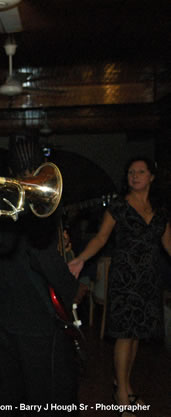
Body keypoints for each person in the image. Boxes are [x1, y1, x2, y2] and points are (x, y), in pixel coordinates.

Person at [0, 136, 87, 415]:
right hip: (37, 323)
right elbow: (45, 260)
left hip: (2, 316)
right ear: (41, 165)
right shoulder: (38, 202)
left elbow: (0, 254)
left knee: (8, 396)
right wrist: (73, 288)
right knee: (48, 398)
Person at [68, 157, 171, 415]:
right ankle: (122, 394)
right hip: (125, 278)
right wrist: (80, 259)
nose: (134, 176)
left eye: (140, 172)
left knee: (136, 335)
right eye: (130, 172)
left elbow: (169, 245)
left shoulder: (160, 209)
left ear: (151, 177)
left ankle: (123, 385)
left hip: (149, 279)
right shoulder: (119, 207)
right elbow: (101, 238)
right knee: (125, 334)